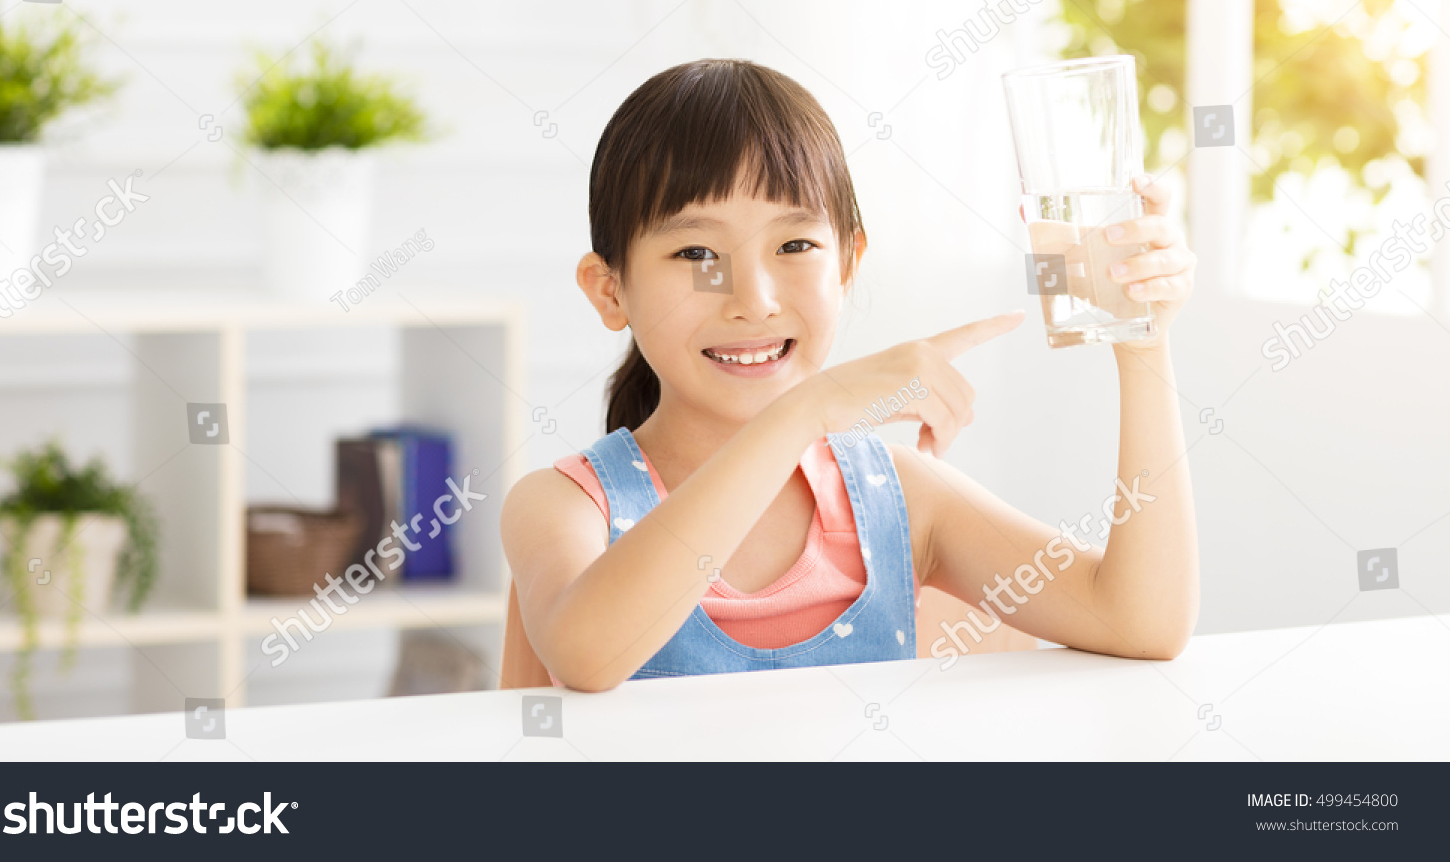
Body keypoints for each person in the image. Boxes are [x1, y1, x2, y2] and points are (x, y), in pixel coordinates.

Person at [499, 58, 1198, 691]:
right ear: (609, 290)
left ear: (848, 263)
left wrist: (1143, 343)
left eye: (796, 243)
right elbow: (588, 654)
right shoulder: (565, 507)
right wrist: (804, 411)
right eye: (695, 254)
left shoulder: (898, 498)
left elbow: (1141, 620)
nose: (755, 299)